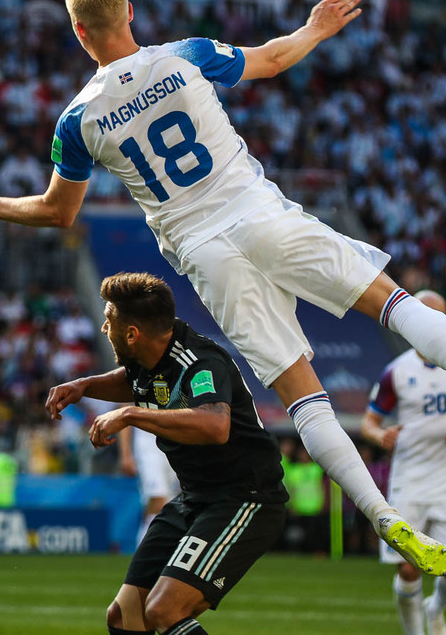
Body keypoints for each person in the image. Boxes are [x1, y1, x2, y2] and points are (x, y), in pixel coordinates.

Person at [0, 0, 446, 575]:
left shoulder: (78, 121)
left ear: (77, 32)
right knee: (391, 302)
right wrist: (315, 28)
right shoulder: (184, 56)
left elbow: (56, 211)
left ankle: (383, 516)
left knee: (302, 394)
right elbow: (272, 58)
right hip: (258, 214)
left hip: (205, 254)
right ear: (129, 11)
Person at [46, 272, 290, 635]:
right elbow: (131, 381)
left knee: (164, 609)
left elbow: (215, 425)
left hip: (245, 498)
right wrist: (84, 385)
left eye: (109, 320)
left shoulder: (200, 361)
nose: (103, 328)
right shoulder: (149, 356)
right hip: (194, 498)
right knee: (125, 617)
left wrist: (130, 414)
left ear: (132, 333)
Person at [361, 291, 446, 635]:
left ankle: (435, 609)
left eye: (439, 317)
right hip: (410, 479)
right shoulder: (397, 372)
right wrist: (380, 436)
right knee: (408, 568)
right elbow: (369, 422)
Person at [117, 424, 180, 545]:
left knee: (170, 503)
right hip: (148, 447)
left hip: (174, 445)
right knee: (157, 498)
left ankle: (159, 549)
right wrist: (125, 454)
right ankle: (144, 547)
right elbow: (124, 416)